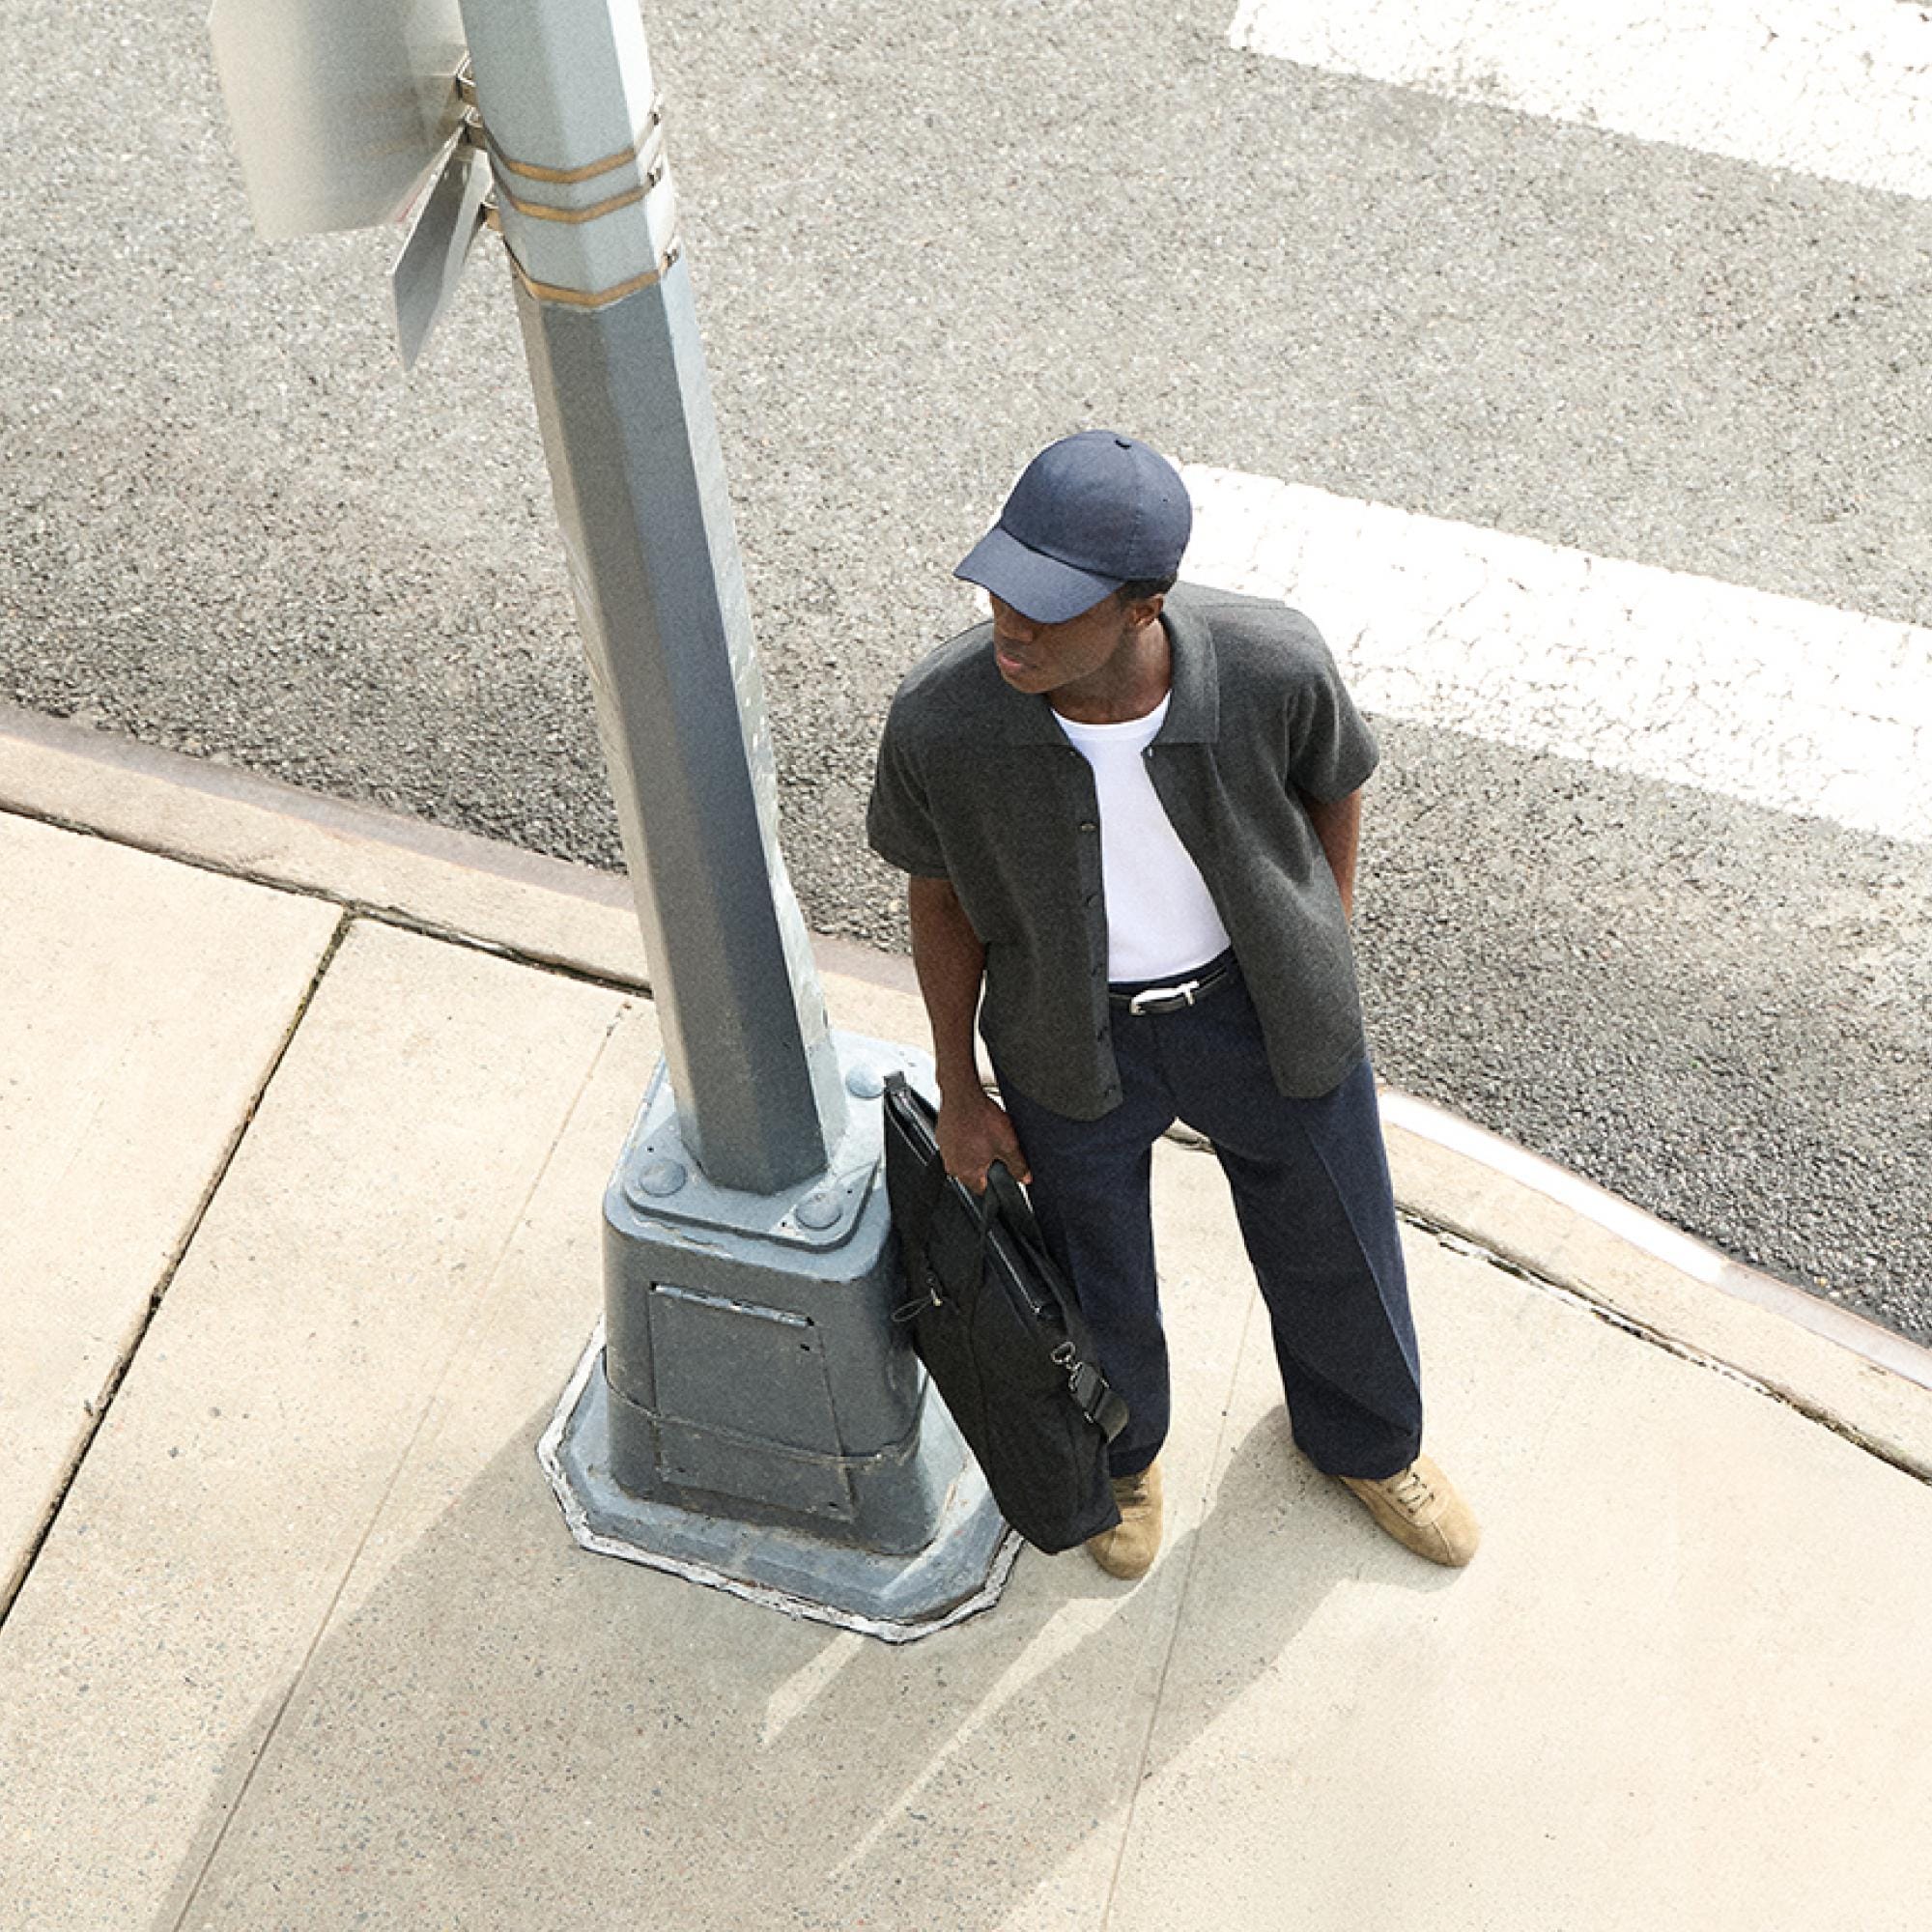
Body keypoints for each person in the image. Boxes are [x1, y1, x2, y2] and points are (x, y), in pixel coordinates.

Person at [867, 430, 1478, 1579]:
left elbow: (1330, 786)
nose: (1010, 623)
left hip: (1260, 1010)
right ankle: (1123, 1450)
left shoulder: (1269, 664)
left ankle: (1368, 1442)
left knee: (1333, 1238)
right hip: (1065, 1030)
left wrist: (1319, 951)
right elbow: (936, 897)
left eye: (1050, 605)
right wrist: (960, 1086)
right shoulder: (943, 721)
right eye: (1002, 582)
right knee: (1094, 1264)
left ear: (1144, 605)